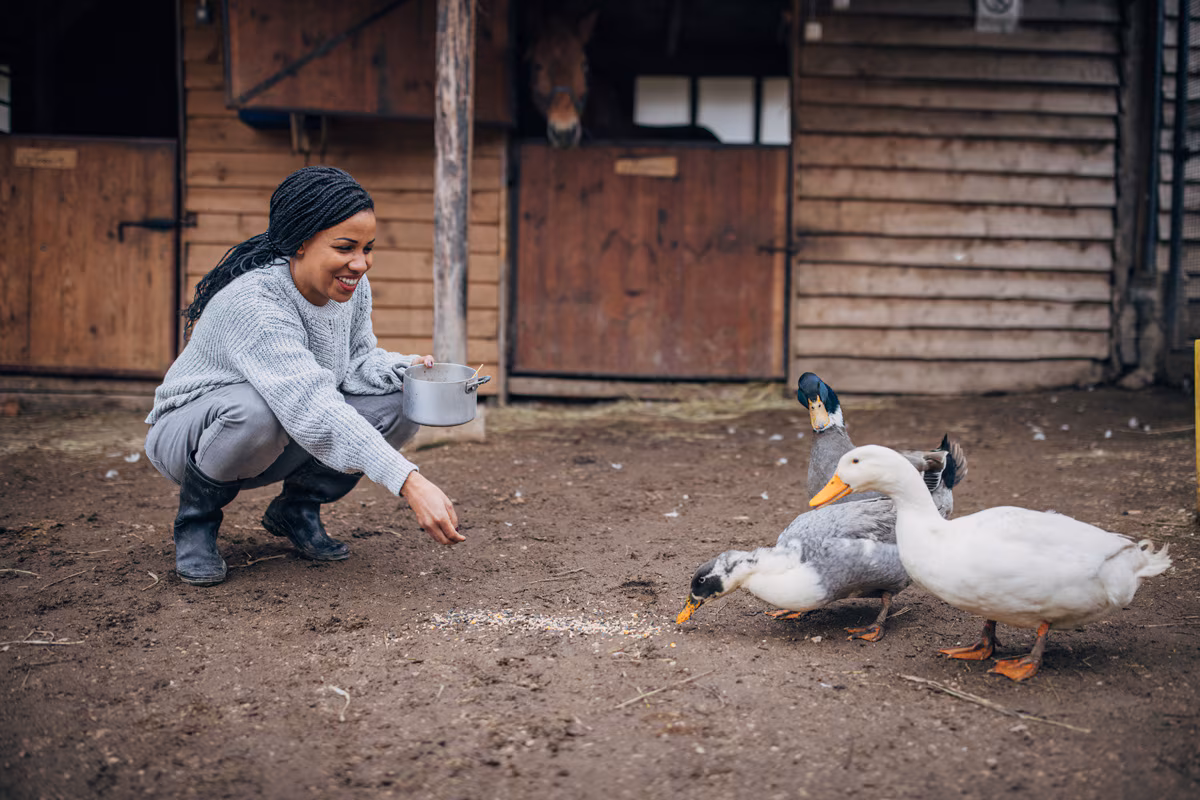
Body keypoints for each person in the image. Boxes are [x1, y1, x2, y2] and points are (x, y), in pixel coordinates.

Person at [144, 166, 465, 586]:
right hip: (191, 436)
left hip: (276, 430)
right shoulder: (256, 304)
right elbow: (311, 404)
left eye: (368, 248)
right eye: (346, 247)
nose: (361, 263)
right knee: (258, 408)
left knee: (403, 399)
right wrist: (408, 480)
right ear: (299, 242)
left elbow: (353, 364)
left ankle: (296, 510)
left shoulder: (347, 288)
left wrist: (406, 372)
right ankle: (196, 523)